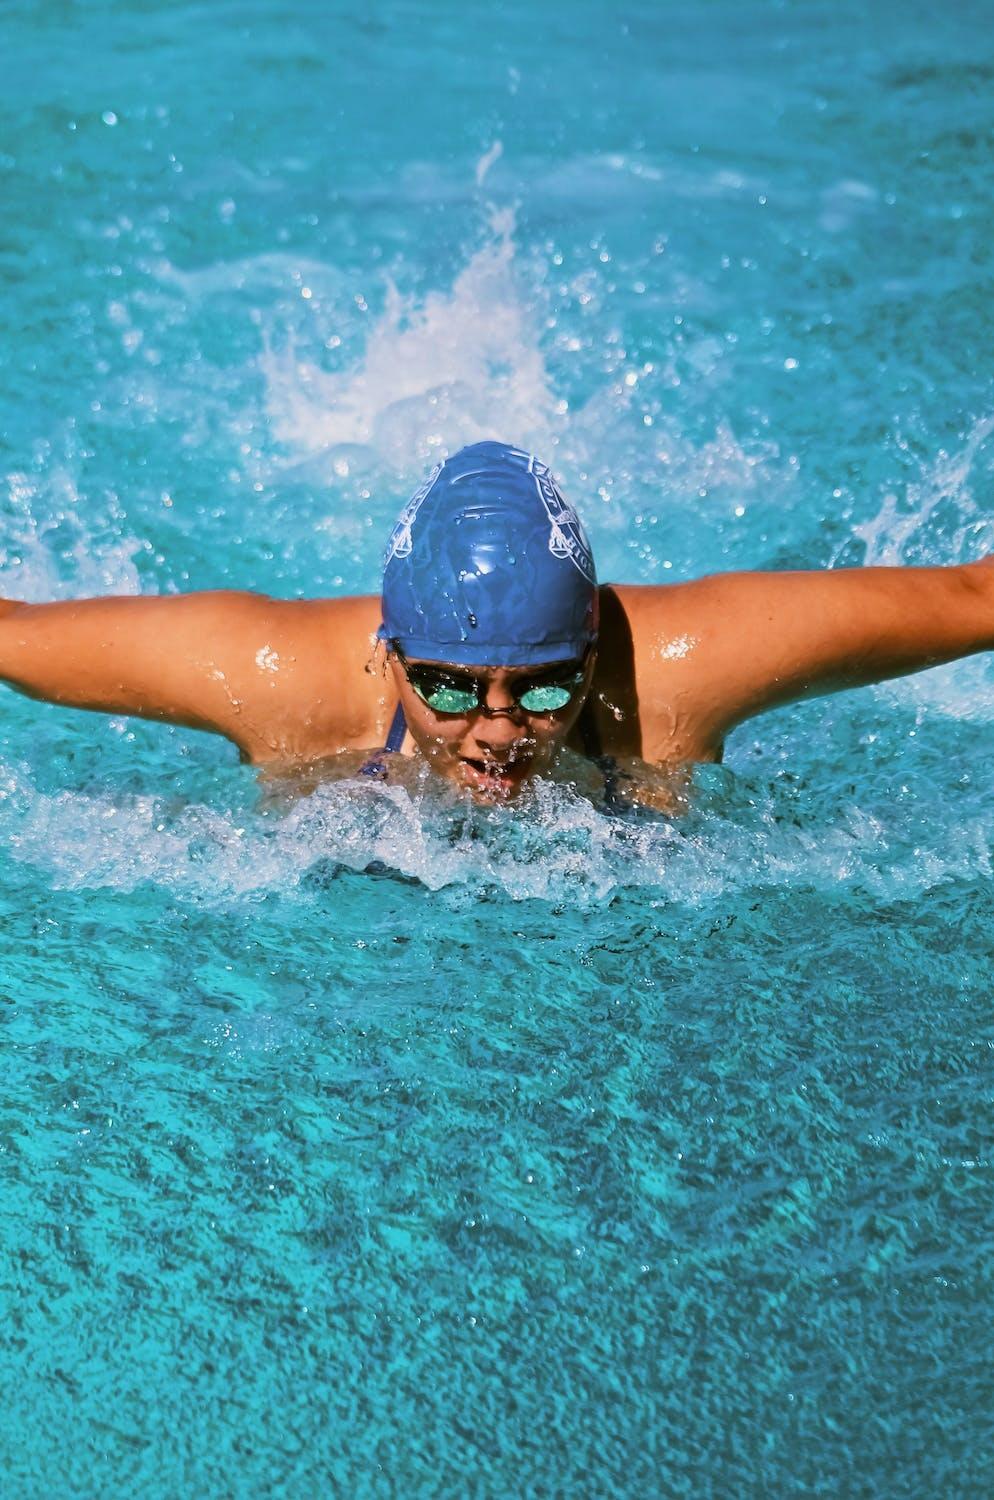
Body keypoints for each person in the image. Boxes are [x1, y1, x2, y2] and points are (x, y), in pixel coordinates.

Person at [0, 439, 991, 802]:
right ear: (390, 658)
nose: (501, 734)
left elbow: (973, 598)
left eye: (546, 685)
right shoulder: (276, 674)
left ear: (594, 650)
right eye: (448, 687)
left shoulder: (684, 665)